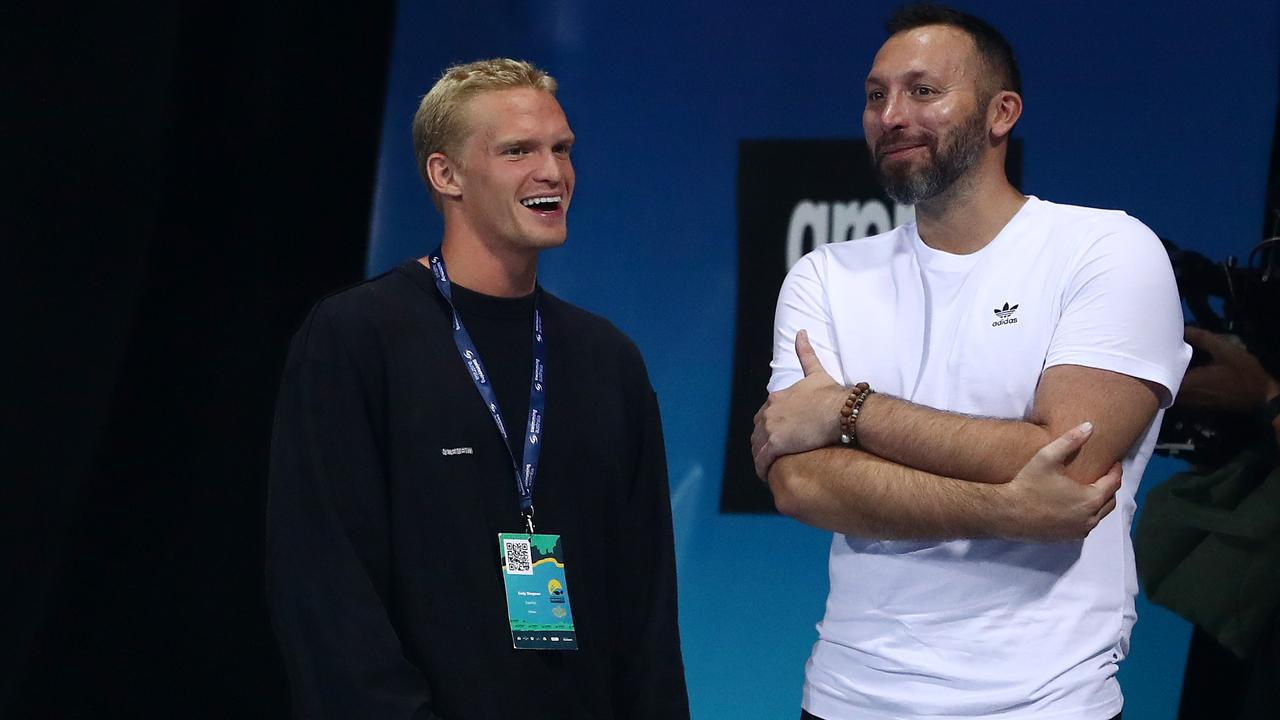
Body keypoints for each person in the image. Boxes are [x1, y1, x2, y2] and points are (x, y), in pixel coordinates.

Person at [750, 5, 1190, 720]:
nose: (891, 114)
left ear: (1001, 113)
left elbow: (1065, 460)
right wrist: (1005, 509)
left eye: (923, 91)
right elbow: (800, 481)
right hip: (846, 697)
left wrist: (845, 411)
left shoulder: (1105, 249)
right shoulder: (824, 276)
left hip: (1045, 703)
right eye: (875, 95)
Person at [267, 58, 688, 719]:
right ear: (446, 174)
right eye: (518, 150)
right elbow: (330, 592)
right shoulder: (357, 337)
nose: (552, 171)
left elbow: (647, 608)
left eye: (561, 148)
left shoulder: (609, 360)